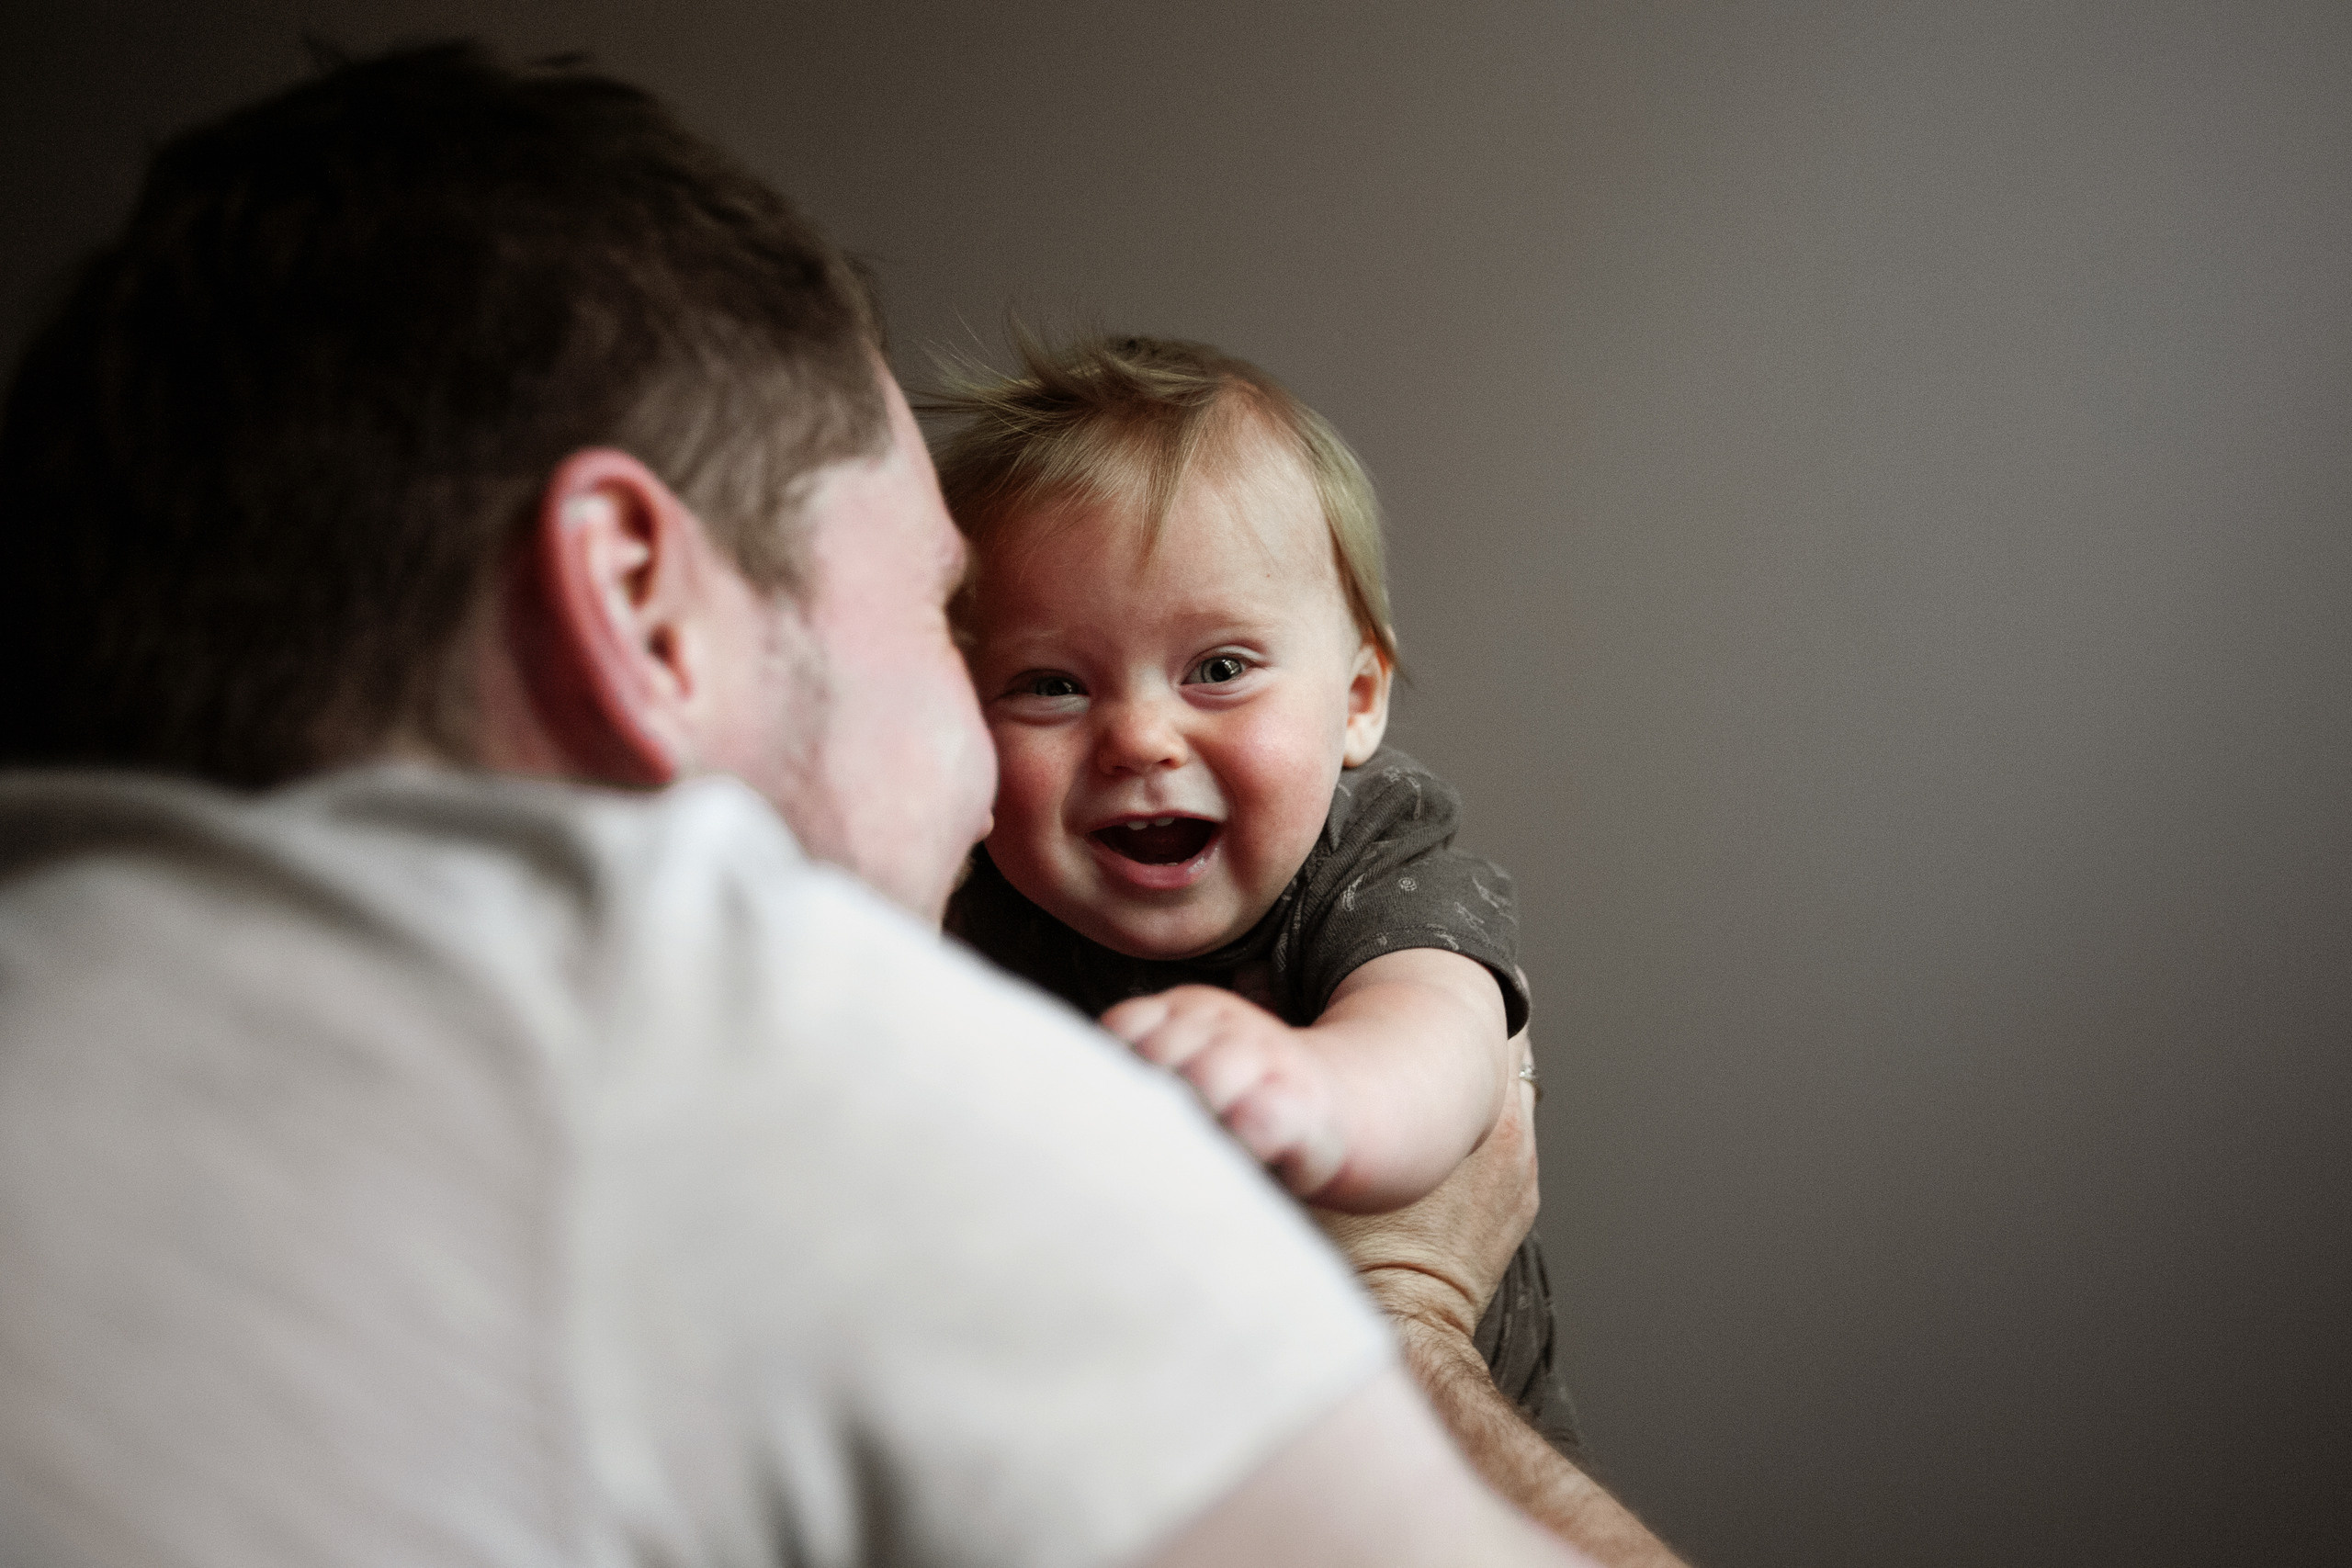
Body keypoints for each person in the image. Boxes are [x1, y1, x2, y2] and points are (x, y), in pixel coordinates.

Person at [0, 41, 1680, 1568]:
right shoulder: (749, 1042)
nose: (1044, 740)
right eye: (950, 626)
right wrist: (1414, 1312)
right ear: (643, 606)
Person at [935, 333, 1581, 1454]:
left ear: (1358, 700)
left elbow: (1444, 1034)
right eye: (1050, 684)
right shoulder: (972, 894)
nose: (1139, 735)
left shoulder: (1372, 855)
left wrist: (1324, 1090)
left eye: (1219, 669)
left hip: (1442, 1470)